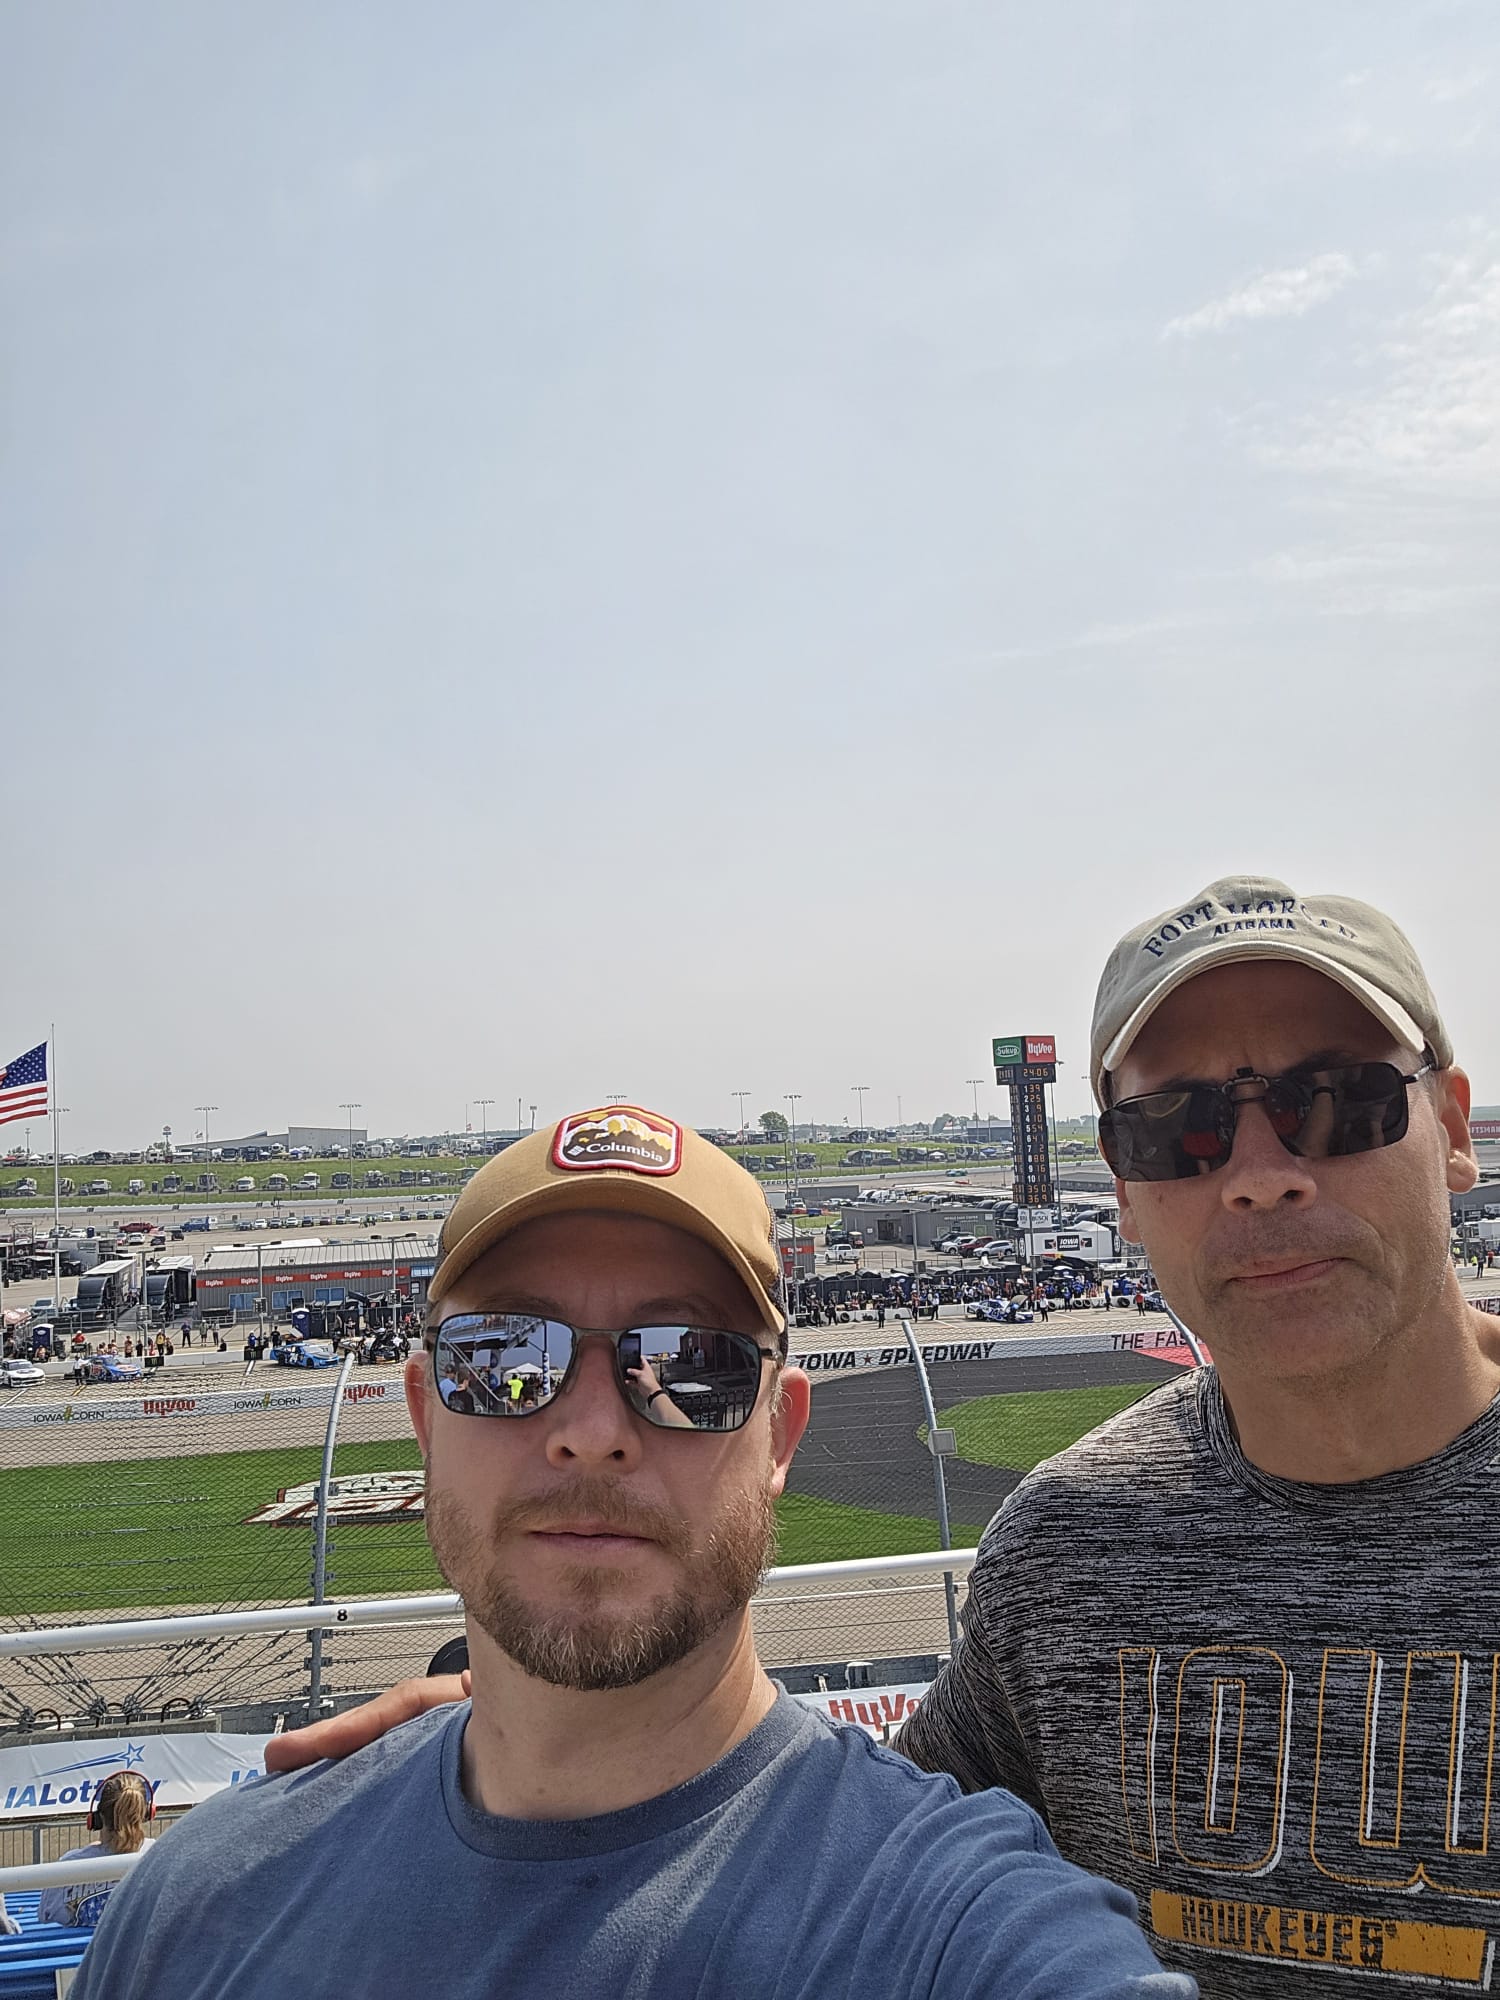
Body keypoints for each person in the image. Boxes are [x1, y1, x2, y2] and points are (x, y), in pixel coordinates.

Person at [74, 1106, 1188, 1999]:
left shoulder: (956, 1923)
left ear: (781, 1436)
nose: (593, 1428)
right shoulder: (196, 1905)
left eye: (691, 1363)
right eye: (505, 1356)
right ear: (423, 1417)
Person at [898, 876, 1500, 1995]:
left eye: (1338, 1099)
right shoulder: (1066, 1546)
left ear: (1454, 1128)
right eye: (1180, 1129)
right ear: (1124, 1191)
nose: (1261, 1178)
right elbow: (886, 1865)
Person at [39, 1771, 156, 1929]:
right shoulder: (159, 1856)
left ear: (97, 1819)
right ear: (147, 1814)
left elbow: (45, 1918)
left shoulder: (68, 1865)